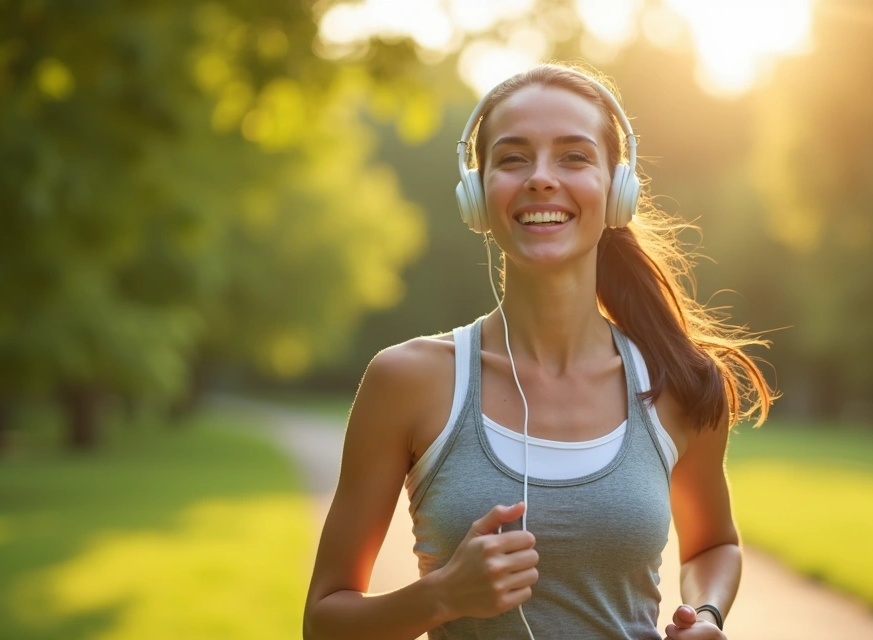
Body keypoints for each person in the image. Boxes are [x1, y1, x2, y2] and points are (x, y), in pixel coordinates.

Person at [303, 63, 773, 640]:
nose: (541, 179)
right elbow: (325, 622)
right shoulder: (408, 382)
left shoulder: (673, 383)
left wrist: (706, 615)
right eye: (513, 157)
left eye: (574, 157)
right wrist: (443, 595)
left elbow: (714, 544)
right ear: (475, 193)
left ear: (617, 190)